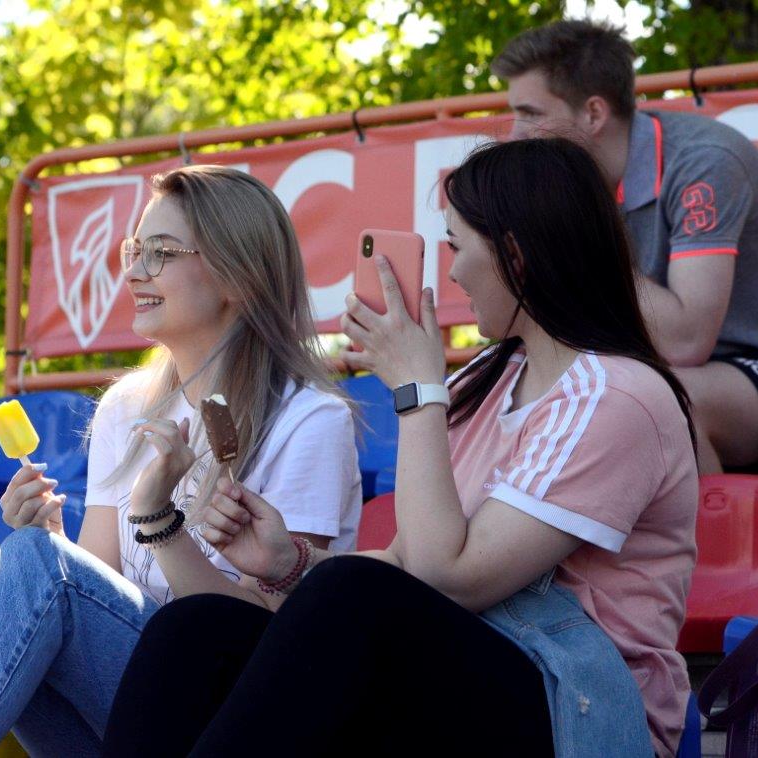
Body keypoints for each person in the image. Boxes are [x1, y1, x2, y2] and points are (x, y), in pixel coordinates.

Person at [101, 139, 699, 758]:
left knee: (351, 593)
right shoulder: (490, 378)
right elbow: (411, 559)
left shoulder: (616, 397)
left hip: (579, 710)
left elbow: (449, 579)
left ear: (514, 256)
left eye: (457, 246)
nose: (452, 273)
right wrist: (289, 563)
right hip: (461, 679)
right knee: (196, 628)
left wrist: (418, 390)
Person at [0, 165, 361, 758]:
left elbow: (265, 638)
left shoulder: (309, 420)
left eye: (161, 253)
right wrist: (47, 542)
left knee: (42, 564)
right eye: (136, 250)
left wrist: (159, 524)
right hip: (116, 711)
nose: (133, 272)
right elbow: (99, 584)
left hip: (217, 720)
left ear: (238, 274)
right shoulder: (127, 406)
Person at [491, 19, 758, 474]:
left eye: (531, 114)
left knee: (665, 398)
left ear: (593, 114)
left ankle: (710, 526)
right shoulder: (574, 184)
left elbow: (687, 342)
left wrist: (575, 236)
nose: (515, 134)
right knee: (517, 390)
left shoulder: (704, 161)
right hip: (666, 368)